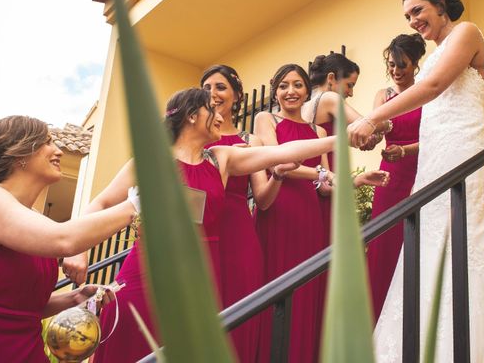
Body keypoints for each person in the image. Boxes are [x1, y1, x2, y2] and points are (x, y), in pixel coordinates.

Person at [64, 88, 336, 363]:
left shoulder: (221, 158)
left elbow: (284, 152)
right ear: (193, 116)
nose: (221, 117)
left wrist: (341, 139)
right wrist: (78, 249)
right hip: (147, 278)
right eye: (213, 110)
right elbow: (99, 204)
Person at [348, 0, 484, 361]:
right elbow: (433, 119)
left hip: (464, 153)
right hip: (432, 161)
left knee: (462, 242)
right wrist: (400, 144)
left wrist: (370, 118)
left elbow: (431, 89)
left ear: (441, 2)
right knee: (428, 245)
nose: (413, 21)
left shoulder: (466, 32)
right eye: (408, 15)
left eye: (418, 10)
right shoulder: (435, 53)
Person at [0, 115, 137, 362]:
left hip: (27, 349)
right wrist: (136, 204)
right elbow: (65, 240)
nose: (58, 151)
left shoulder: (31, 216)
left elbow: (21, 305)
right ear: (20, 152)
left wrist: (74, 297)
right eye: (47, 142)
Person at [254, 64, 387, 362]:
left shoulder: (317, 130)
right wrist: (321, 173)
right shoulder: (266, 119)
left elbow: (324, 184)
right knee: (275, 289)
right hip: (278, 210)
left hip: (310, 216)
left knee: (308, 292)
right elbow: (277, 162)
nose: (291, 91)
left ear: (306, 91)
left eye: (298, 85)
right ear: (275, 90)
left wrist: (354, 180)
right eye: (284, 85)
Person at [201, 64, 296, 363]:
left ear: (237, 95)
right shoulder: (196, 137)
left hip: (239, 236)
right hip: (201, 232)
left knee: (237, 315)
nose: (213, 94)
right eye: (206, 89)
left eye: (220, 87)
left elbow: (263, 201)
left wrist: (277, 176)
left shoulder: (249, 141)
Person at [302, 53, 390, 248]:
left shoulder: (304, 106)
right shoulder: (330, 98)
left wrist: (366, 139)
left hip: (313, 178)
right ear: (332, 78)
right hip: (328, 176)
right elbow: (367, 123)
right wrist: (388, 125)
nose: (350, 93)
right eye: (349, 85)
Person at [366, 33, 425, 323]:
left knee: (420, 237)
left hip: (422, 167)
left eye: (402, 64)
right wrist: (375, 133)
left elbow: (436, 137)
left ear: (415, 63)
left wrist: (406, 150)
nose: (396, 70)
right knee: (385, 241)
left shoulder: (427, 91)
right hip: (389, 177)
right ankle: (380, 317)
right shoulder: (383, 95)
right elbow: (374, 131)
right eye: (391, 64)